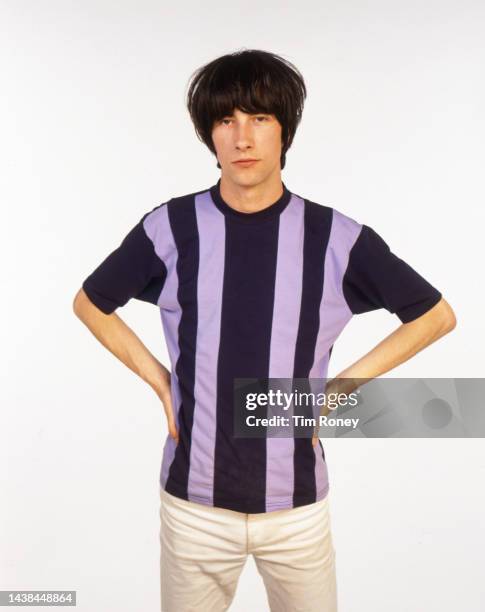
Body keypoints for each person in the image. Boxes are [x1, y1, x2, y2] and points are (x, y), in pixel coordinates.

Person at [73, 48, 457, 612]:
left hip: (297, 512)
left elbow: (435, 315)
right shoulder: (171, 227)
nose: (242, 137)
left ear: (285, 131)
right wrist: (160, 381)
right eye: (225, 120)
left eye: (259, 118)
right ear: (210, 135)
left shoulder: (336, 237)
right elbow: (90, 302)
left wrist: (339, 389)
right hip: (193, 510)